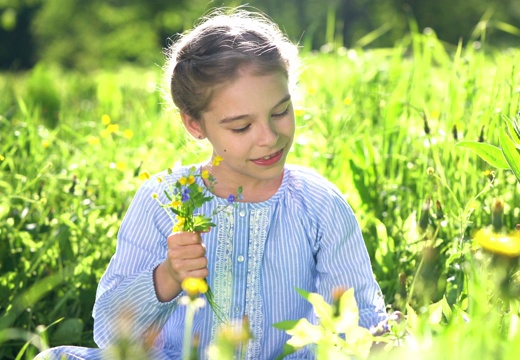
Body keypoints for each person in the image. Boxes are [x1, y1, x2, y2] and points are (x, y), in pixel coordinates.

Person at [37, 8, 387, 360]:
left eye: (280, 112)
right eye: (241, 126)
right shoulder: (163, 199)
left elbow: (358, 316)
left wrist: (373, 337)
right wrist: (168, 275)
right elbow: (112, 334)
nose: (268, 137)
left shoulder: (319, 204)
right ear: (195, 125)